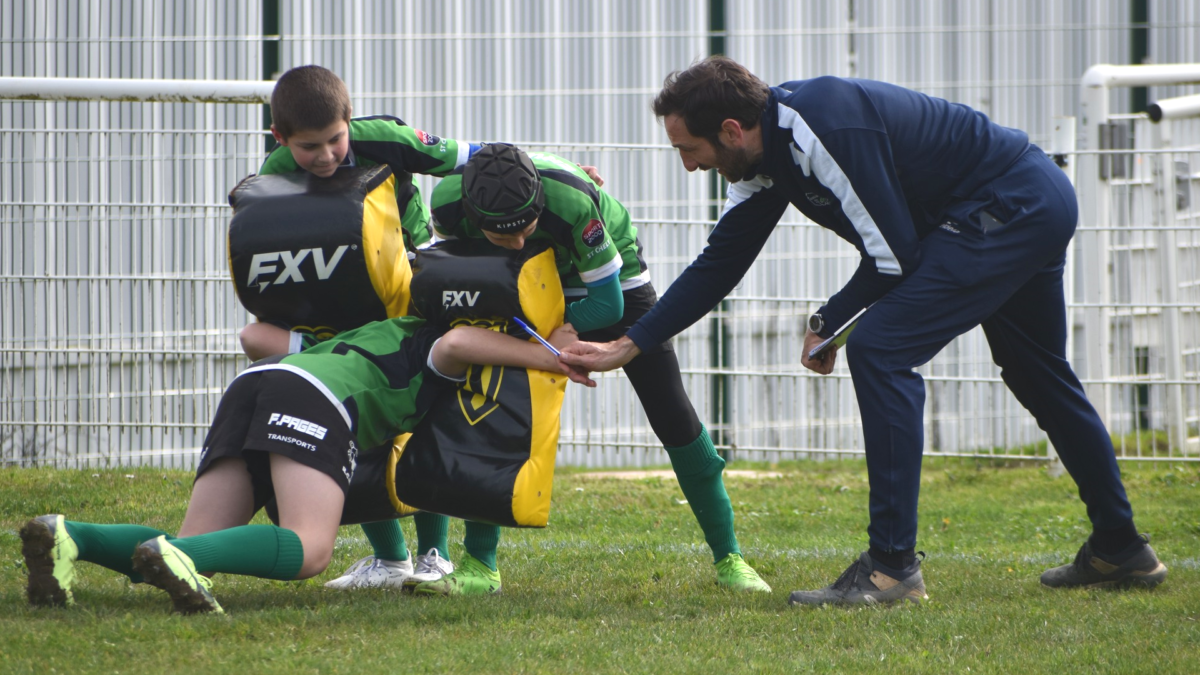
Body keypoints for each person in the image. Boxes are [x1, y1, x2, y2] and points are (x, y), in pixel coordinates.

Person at [559, 56, 1168, 606]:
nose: (691, 167)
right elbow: (721, 263)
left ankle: (891, 568)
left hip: (1007, 204)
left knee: (881, 349)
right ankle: (1121, 548)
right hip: (1023, 203)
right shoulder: (767, 153)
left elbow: (895, 256)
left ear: (730, 131)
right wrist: (630, 343)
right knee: (1038, 375)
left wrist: (828, 323)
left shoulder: (818, 129)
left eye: (688, 150)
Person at [20, 317, 584, 614]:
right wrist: (551, 356)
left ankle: (72, 538)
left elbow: (256, 336)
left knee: (196, 545)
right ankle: (180, 554)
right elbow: (459, 342)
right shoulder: (431, 333)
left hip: (255, 384)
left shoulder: (369, 324)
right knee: (311, 548)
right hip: (312, 398)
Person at [420, 143, 771, 596]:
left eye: (526, 227)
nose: (518, 242)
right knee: (487, 406)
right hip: (517, 281)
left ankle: (731, 558)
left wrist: (562, 333)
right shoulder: (448, 202)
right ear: (471, 213)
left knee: (672, 413)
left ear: (539, 203)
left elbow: (609, 304)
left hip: (608, 283)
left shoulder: (571, 202)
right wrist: (535, 342)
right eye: (501, 236)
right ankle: (480, 566)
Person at [241, 64, 486, 592]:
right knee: (351, 417)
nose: (325, 156)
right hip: (341, 309)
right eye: (309, 147)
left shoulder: (388, 141)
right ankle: (389, 558)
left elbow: (476, 158)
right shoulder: (276, 171)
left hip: (413, 294)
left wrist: (558, 171)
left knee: (421, 411)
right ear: (281, 138)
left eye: (335, 139)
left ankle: (435, 555)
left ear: (349, 119)